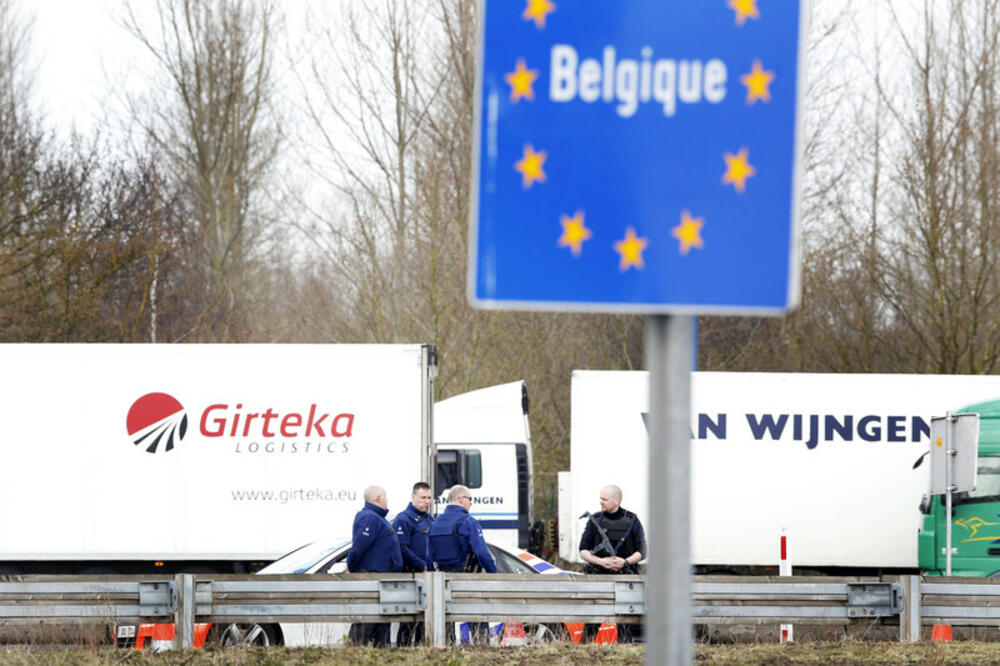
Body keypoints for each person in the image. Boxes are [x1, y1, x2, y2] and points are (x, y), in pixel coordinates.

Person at [427, 485, 497, 643]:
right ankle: (482, 651)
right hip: (466, 581)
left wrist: (434, 581)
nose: (471, 503)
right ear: (460, 499)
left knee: (444, 621)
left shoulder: (434, 524)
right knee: (477, 620)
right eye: (469, 499)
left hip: (441, 582)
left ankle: (445, 653)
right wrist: (495, 575)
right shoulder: (468, 522)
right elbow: (482, 553)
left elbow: (428, 557)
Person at [578, 484, 646, 644]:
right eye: (600, 498)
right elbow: (583, 550)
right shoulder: (595, 520)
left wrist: (625, 562)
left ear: (616, 500)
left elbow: (642, 551)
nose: (600, 502)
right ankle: (583, 655)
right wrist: (601, 561)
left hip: (625, 580)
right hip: (598, 578)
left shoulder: (632, 520)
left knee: (624, 625)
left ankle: (625, 655)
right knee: (592, 623)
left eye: (604, 499)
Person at [346, 485, 402, 647]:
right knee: (365, 623)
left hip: (382, 580)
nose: (386, 502)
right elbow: (359, 547)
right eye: (385, 498)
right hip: (373, 579)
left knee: (381, 625)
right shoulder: (371, 518)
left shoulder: (377, 518)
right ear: (377, 498)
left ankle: (378, 656)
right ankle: (352, 655)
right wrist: (352, 565)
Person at [392, 481, 434, 646]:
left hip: (428, 578)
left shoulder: (430, 519)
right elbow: (402, 548)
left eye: (429, 498)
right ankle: (403, 653)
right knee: (409, 620)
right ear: (413, 497)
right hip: (411, 575)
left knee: (425, 621)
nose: (426, 501)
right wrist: (421, 565)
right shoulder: (403, 519)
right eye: (423, 497)